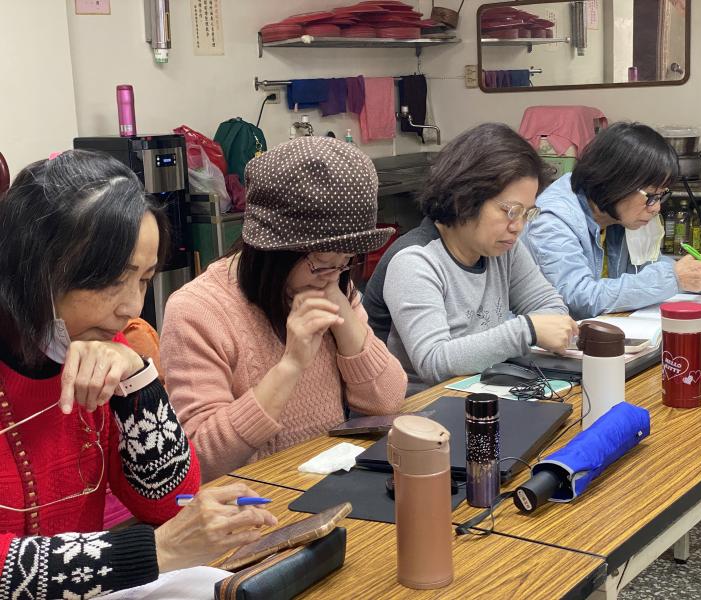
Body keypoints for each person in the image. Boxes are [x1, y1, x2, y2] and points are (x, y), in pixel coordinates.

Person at [0, 150, 276, 599]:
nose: (131, 306)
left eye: (144, 279)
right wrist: (157, 551)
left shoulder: (104, 350)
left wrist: (138, 384)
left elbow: (170, 503)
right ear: (33, 267)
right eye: (112, 280)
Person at [161, 137, 407, 482]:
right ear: (272, 251)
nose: (334, 275)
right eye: (322, 262)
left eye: (346, 261)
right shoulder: (198, 310)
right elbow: (202, 458)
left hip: (330, 484)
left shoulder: (333, 284)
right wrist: (290, 365)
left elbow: (387, 402)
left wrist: (342, 311)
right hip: (252, 501)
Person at [363, 123, 576, 395]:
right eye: (511, 211)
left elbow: (550, 307)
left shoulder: (503, 249)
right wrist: (527, 331)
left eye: (527, 213)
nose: (518, 226)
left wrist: (539, 328)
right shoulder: (415, 260)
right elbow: (433, 362)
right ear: (465, 199)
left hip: (480, 392)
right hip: (418, 408)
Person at [523, 122, 701, 320]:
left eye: (661, 196)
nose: (656, 208)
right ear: (615, 182)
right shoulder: (551, 220)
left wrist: (698, 274)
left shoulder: (616, 213)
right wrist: (674, 278)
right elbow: (579, 299)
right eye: (651, 196)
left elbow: (643, 269)